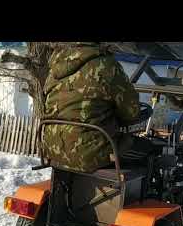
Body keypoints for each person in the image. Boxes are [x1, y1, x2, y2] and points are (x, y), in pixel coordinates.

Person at [42, 42, 155, 174]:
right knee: (148, 148)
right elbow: (131, 112)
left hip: (53, 148)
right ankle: (144, 192)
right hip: (88, 153)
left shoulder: (55, 68)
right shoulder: (107, 66)